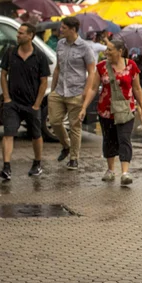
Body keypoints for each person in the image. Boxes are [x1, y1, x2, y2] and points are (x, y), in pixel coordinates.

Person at [79, 40, 142, 185]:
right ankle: (110, 170)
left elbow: (137, 88)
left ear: (120, 51)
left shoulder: (131, 66)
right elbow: (93, 88)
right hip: (105, 110)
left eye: (110, 50)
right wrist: (84, 107)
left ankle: (125, 173)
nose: (106, 52)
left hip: (126, 109)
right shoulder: (101, 67)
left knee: (124, 138)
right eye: (107, 49)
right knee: (109, 139)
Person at [0, 23, 51, 180]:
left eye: (21, 33)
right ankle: (6, 167)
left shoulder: (40, 56)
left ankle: (37, 163)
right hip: (12, 103)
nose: (17, 35)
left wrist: (37, 104)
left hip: (31, 103)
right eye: (18, 32)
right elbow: (3, 75)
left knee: (36, 134)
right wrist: (6, 97)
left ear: (30, 36)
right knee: (8, 133)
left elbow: (44, 82)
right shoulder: (10, 52)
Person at [48, 16, 96, 170]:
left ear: (73, 29)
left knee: (75, 127)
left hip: (76, 91)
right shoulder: (60, 44)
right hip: (59, 90)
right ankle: (66, 145)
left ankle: (74, 158)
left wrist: (85, 92)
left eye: (63, 28)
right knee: (54, 121)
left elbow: (91, 71)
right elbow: (57, 68)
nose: (60, 30)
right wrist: (53, 89)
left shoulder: (84, 47)